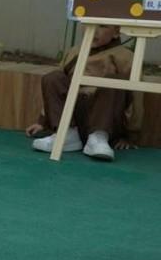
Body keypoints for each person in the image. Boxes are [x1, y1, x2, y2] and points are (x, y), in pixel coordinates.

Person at [27, 25, 141, 161]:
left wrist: (130, 135)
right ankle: (67, 134)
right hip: (74, 117)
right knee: (53, 78)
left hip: (105, 120)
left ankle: (99, 137)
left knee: (113, 82)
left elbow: (136, 97)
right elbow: (55, 92)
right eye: (88, 25)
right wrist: (42, 121)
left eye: (102, 27)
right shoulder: (75, 52)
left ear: (116, 32)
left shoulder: (125, 57)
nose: (93, 31)